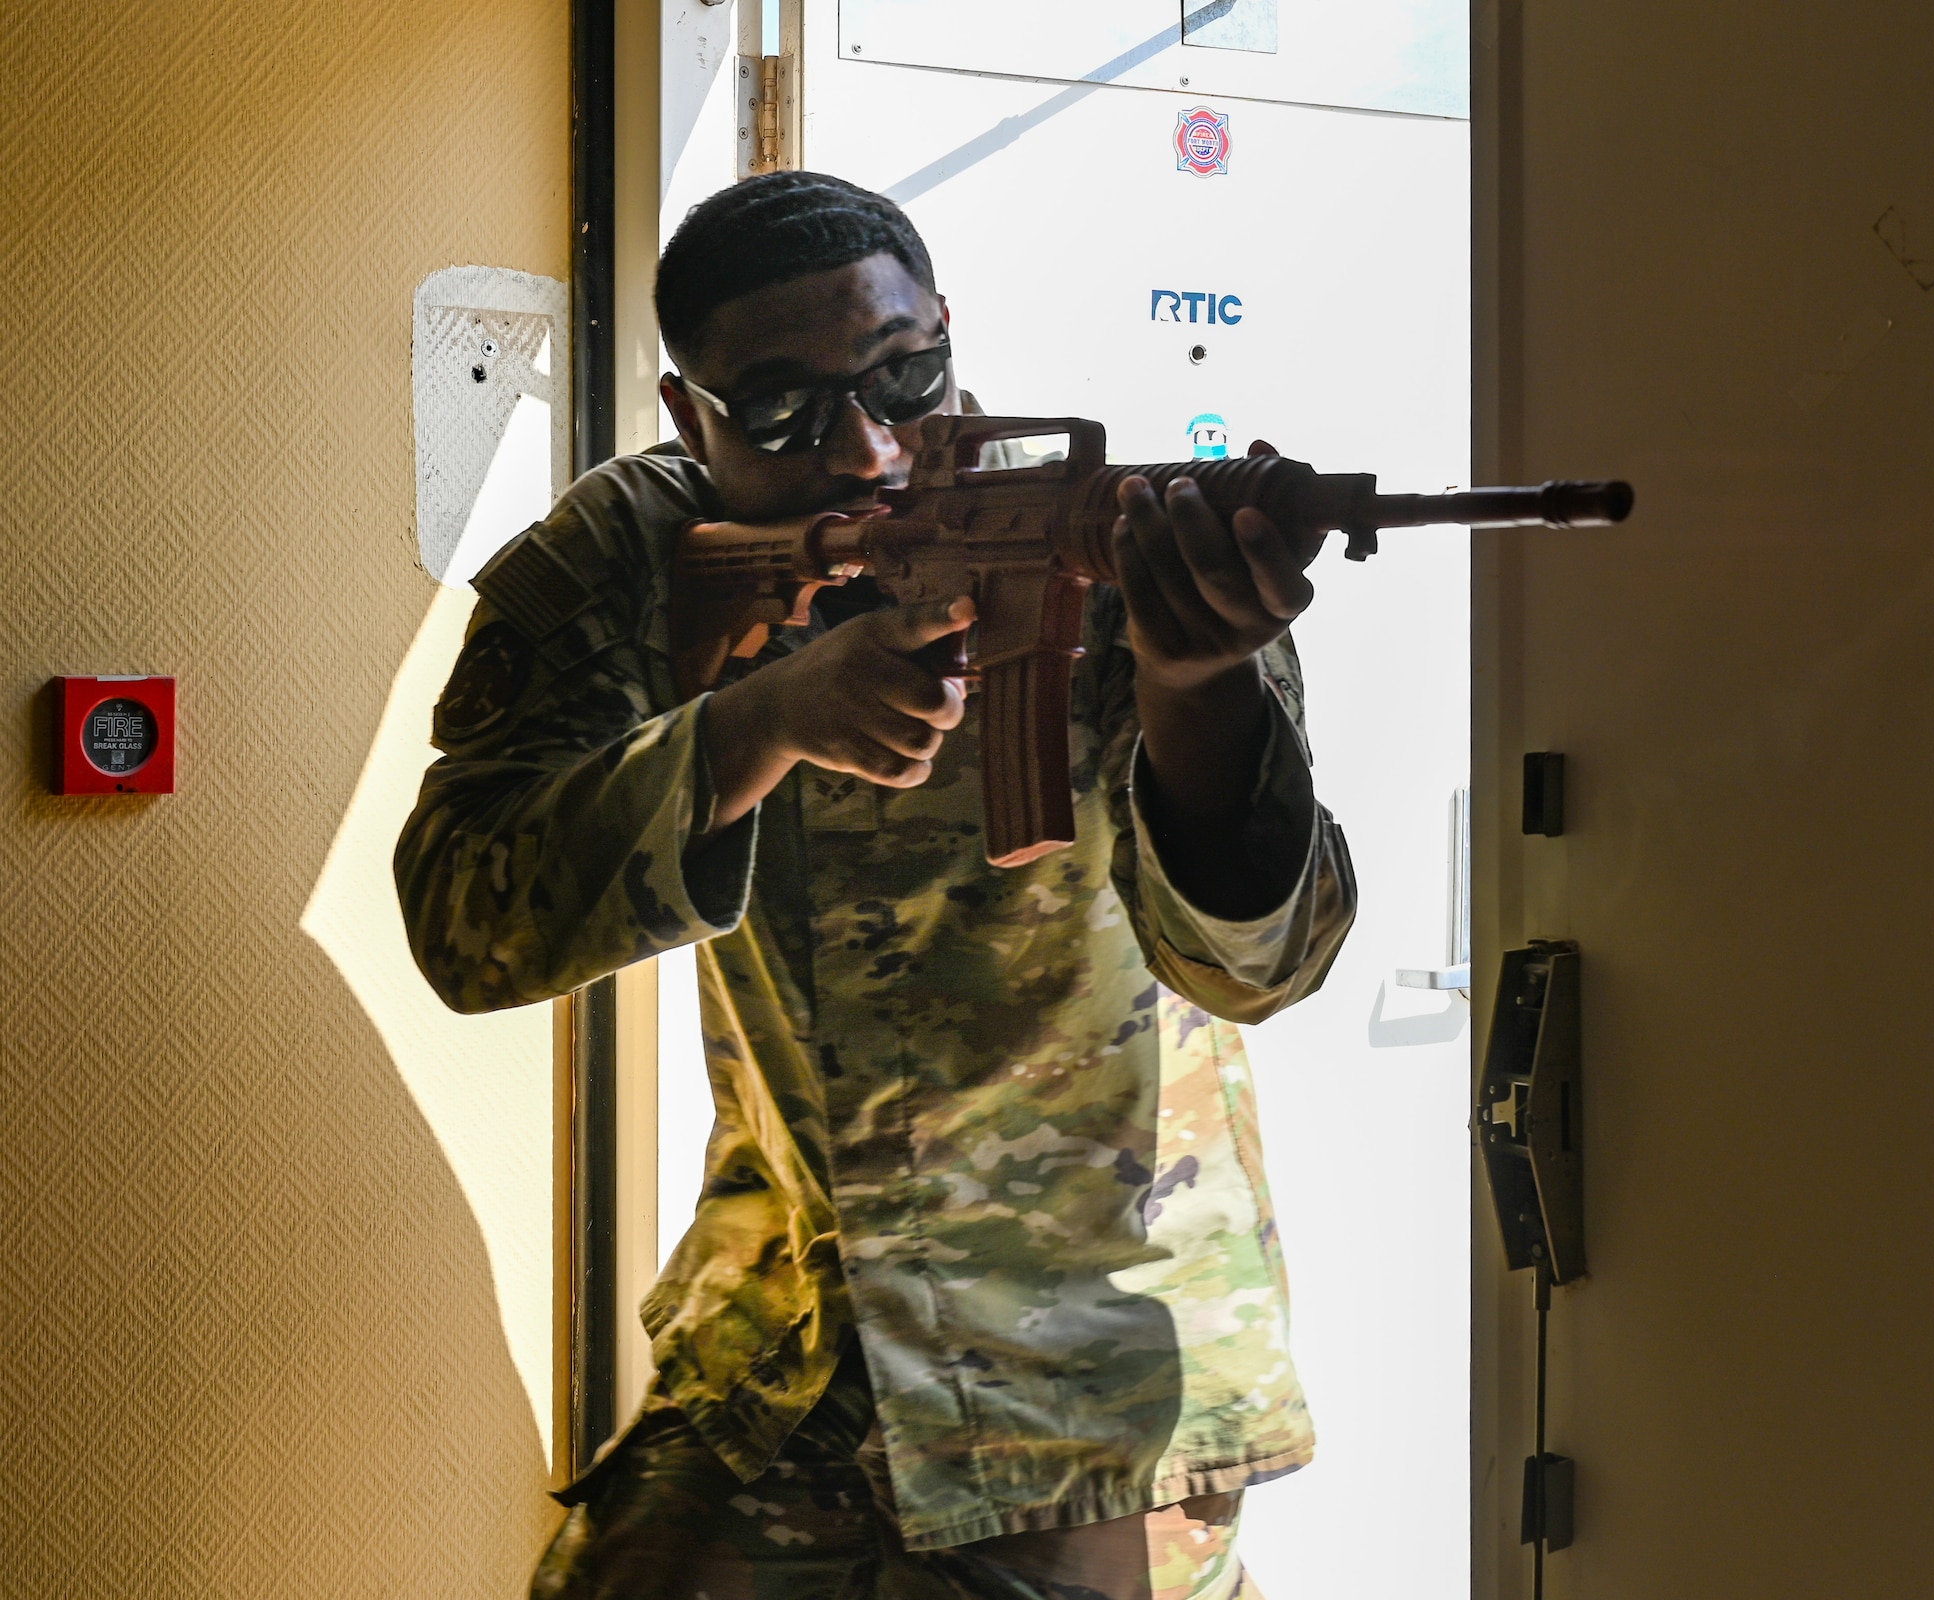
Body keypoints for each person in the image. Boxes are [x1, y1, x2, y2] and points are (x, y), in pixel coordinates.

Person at [396, 171, 1356, 1600]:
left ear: (946, 333)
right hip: (786, 1347)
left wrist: (1197, 684)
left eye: (907, 378)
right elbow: (467, 922)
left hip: (1082, 1375)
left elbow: (1259, 968)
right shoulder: (628, 562)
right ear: (686, 415)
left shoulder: (1115, 548)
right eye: (782, 413)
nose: (868, 450)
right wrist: (755, 726)